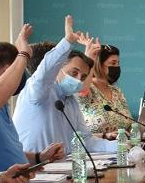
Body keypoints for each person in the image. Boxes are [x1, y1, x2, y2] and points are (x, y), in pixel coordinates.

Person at [12, 15, 118, 154]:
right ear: (58, 70)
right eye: (74, 73)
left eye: (83, 77)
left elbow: (86, 141)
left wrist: (123, 147)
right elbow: (45, 71)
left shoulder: (71, 100)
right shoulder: (38, 90)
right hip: (32, 170)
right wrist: (67, 41)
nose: (79, 80)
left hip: (61, 170)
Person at [0, 24, 63, 174]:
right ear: (8, 70)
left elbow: (6, 149)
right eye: (21, 70)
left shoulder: (2, 101)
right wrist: (23, 55)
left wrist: (40, 157)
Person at [81, 44, 136, 138]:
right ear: (99, 65)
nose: (117, 67)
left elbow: (129, 125)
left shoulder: (117, 92)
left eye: (118, 63)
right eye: (113, 63)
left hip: (122, 147)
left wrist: (142, 124)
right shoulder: (87, 90)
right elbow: (81, 135)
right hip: (96, 149)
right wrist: (105, 135)